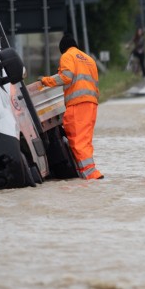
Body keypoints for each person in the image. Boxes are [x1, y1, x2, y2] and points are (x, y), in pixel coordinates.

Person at [40, 33, 103, 180]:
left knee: (77, 140)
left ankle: (89, 174)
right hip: (92, 104)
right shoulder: (89, 59)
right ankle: (90, 171)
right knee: (85, 139)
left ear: (63, 49)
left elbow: (66, 77)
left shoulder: (67, 56)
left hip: (78, 103)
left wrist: (46, 80)